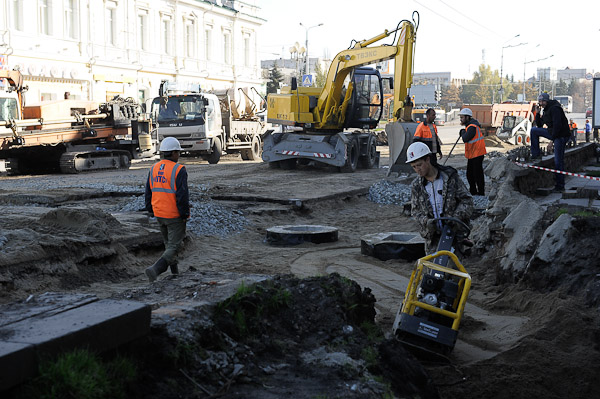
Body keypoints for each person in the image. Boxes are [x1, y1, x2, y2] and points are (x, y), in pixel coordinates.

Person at [406, 142, 474, 254]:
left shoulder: (450, 178)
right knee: (433, 270)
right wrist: (427, 222)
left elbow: (467, 201)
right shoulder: (416, 186)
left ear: (428, 159)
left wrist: (455, 219)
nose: (417, 169)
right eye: (414, 167)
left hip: (453, 236)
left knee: (452, 269)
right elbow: (416, 211)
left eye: (419, 165)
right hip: (432, 239)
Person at [144, 137, 190, 282]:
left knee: (168, 245)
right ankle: (156, 270)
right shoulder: (179, 170)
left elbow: (148, 191)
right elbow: (182, 195)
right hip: (174, 215)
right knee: (174, 247)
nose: (179, 155)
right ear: (174, 153)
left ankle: (175, 273)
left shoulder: (154, 168)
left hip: (159, 214)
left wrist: (150, 209)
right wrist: (184, 214)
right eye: (178, 152)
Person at [530, 93, 570, 192]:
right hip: (553, 132)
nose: (541, 103)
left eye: (543, 101)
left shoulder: (555, 109)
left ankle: (560, 186)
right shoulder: (546, 110)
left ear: (547, 101)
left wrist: (551, 141)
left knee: (558, 161)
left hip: (560, 136)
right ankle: (536, 154)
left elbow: (558, 126)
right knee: (534, 131)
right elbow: (539, 125)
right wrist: (538, 114)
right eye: (539, 101)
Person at [458, 108, 487, 196]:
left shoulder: (472, 127)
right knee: (470, 174)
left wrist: (463, 133)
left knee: (476, 175)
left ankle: (480, 193)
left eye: (462, 117)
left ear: (467, 117)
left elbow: (465, 138)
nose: (461, 119)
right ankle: (474, 191)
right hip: (474, 154)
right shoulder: (470, 126)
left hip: (477, 154)